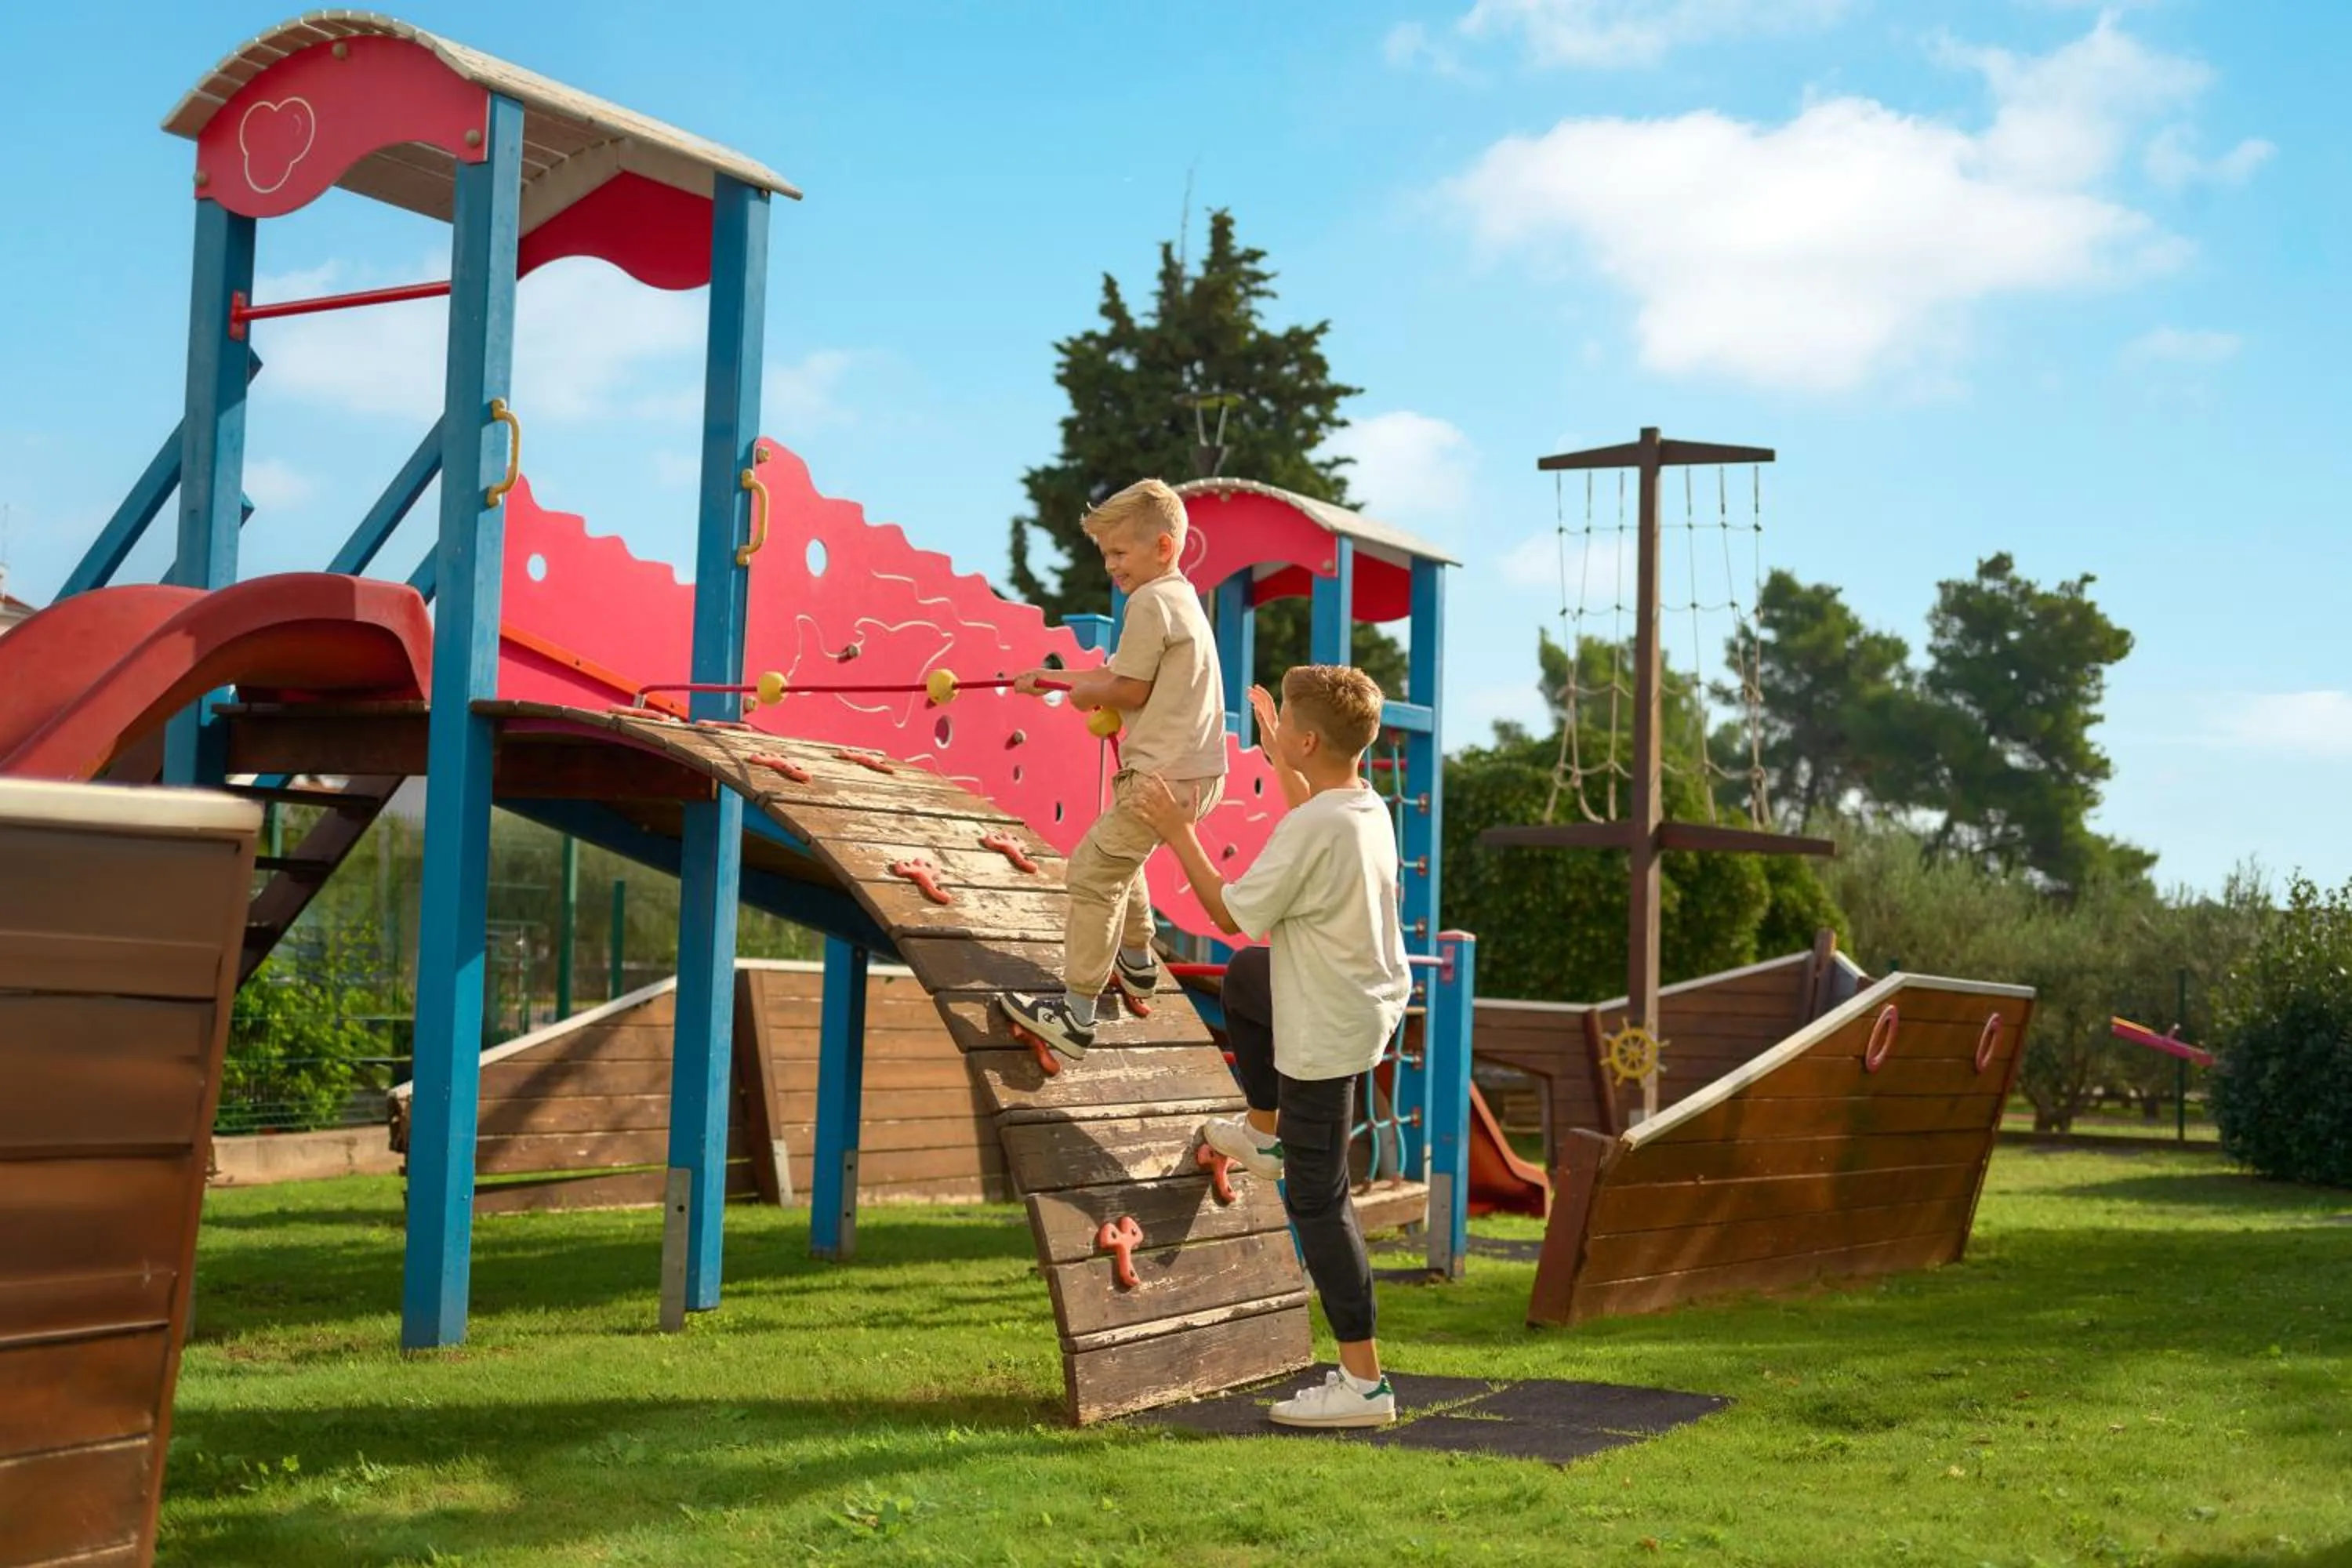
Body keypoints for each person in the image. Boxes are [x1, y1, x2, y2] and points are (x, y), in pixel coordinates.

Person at [1134, 666, 1410, 1429]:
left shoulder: (1320, 823)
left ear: (1311, 736)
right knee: (1250, 980)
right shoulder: (1359, 805)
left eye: (1286, 719)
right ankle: (1263, 1132)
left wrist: (1173, 827)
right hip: (1356, 1002)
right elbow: (1304, 829)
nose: (1278, 726)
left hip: (1328, 1026)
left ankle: (1364, 1383)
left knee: (1318, 1201)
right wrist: (1280, 758)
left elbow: (1227, 910)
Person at [999, 478, 1226, 1062]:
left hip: (1161, 774)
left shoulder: (1149, 603)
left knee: (1094, 870)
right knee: (1123, 852)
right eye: (1106, 554)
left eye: (1121, 552)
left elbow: (1126, 685)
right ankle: (1137, 960)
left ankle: (1075, 1014)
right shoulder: (1182, 601)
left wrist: (1072, 692)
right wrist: (1055, 680)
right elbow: (1124, 681)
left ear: (1164, 547)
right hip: (1195, 773)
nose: (1112, 566)